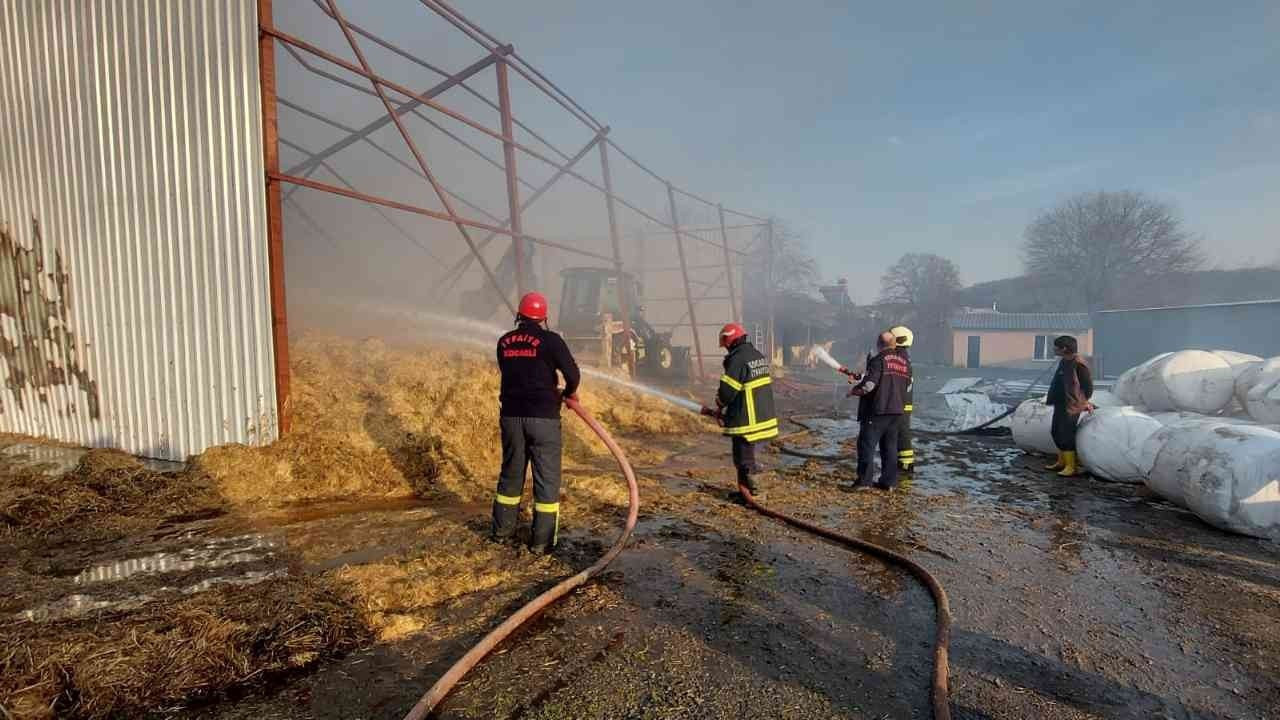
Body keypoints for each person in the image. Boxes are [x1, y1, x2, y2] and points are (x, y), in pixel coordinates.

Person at [491, 291, 580, 554]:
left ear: (519, 314)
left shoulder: (504, 342)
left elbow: (510, 372)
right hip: (543, 419)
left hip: (511, 417)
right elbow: (572, 373)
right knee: (546, 480)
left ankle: (501, 534)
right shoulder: (551, 340)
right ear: (544, 317)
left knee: (510, 475)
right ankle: (541, 542)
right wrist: (569, 392)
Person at [705, 322, 778, 499]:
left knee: (744, 459)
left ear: (729, 340)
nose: (726, 349)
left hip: (748, 420)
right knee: (746, 457)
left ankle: (754, 494)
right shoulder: (755, 355)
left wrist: (719, 402)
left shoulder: (738, 359)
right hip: (762, 415)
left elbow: (728, 391)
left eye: (725, 345)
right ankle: (745, 492)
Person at [849, 330, 911, 490]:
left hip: (878, 411)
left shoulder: (878, 360)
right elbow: (905, 385)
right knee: (889, 447)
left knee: (866, 445)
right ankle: (888, 482)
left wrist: (854, 390)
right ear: (894, 344)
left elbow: (869, 386)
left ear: (879, 344)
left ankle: (864, 482)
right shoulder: (905, 363)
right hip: (897, 412)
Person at [1044, 335, 1095, 477]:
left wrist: (1085, 401)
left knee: (1066, 434)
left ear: (1064, 348)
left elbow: (1088, 386)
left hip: (1072, 404)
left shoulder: (1079, 364)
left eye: (1056, 346)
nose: (1054, 349)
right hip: (1061, 402)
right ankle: (1061, 461)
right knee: (1055, 431)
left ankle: (1071, 467)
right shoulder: (1064, 362)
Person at [888, 325, 915, 472]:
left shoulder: (899, 358)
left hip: (901, 404)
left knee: (902, 434)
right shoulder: (903, 356)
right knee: (900, 433)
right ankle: (903, 462)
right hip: (903, 403)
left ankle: (906, 465)